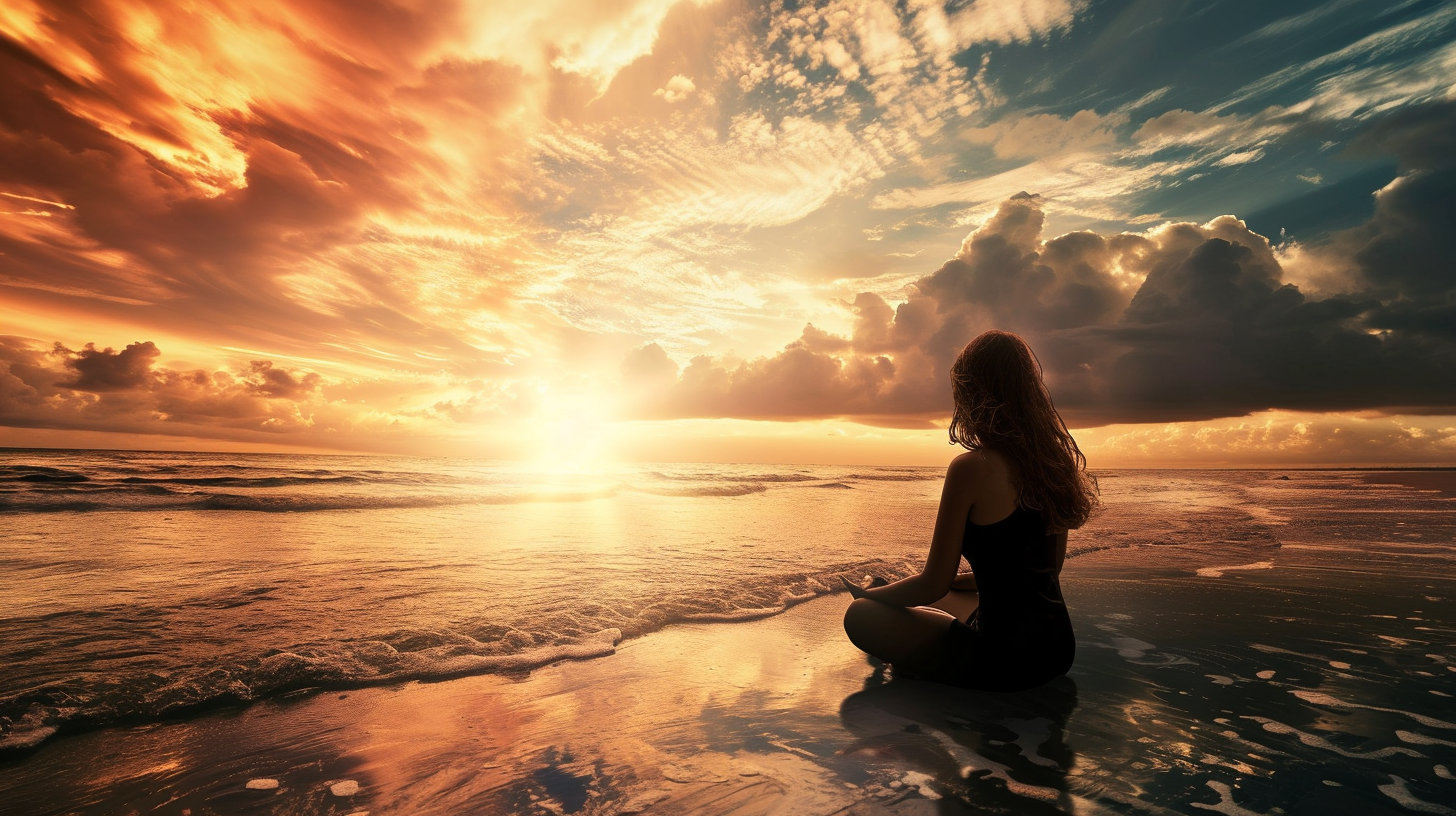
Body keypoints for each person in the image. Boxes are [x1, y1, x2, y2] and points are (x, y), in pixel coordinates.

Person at [842, 330, 1097, 691]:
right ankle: (896, 603)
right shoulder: (1053, 466)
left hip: (1002, 659)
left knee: (860, 615)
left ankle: (891, 613)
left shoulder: (971, 468)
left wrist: (869, 596)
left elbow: (932, 584)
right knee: (953, 593)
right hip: (1056, 652)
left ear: (971, 392)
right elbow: (1047, 570)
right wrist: (962, 584)